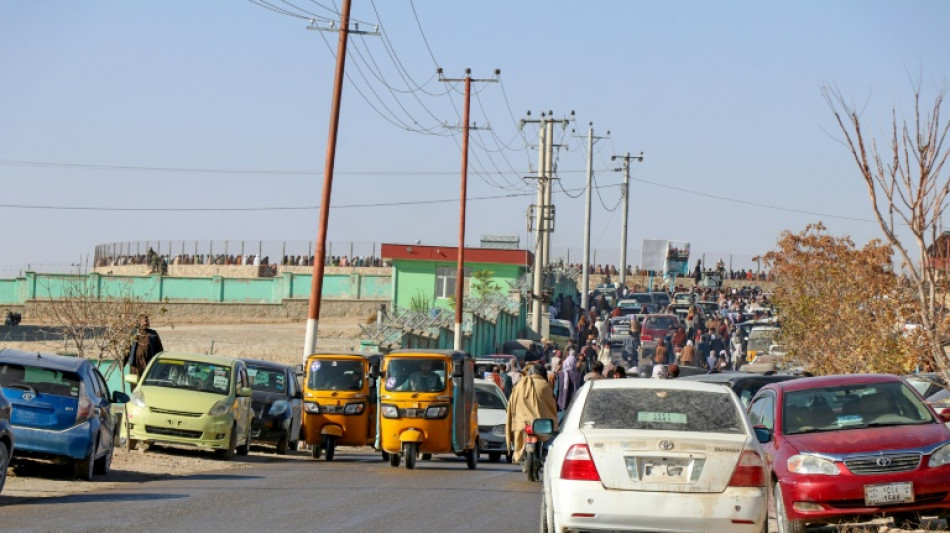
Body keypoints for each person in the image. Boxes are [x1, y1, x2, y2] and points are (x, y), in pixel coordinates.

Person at [506, 364, 558, 465]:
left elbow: (511, 403)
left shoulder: (519, 385)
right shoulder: (545, 385)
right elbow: (552, 406)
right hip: (541, 424)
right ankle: (545, 454)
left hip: (522, 422)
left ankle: (519, 454)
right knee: (553, 435)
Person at [124, 314, 164, 381]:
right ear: (139, 321)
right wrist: (123, 362)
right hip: (135, 365)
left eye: (146, 320)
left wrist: (161, 365)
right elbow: (127, 349)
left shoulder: (153, 334)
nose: (145, 322)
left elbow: (160, 349)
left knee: (148, 383)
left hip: (150, 364)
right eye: (143, 320)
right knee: (135, 383)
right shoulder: (134, 333)